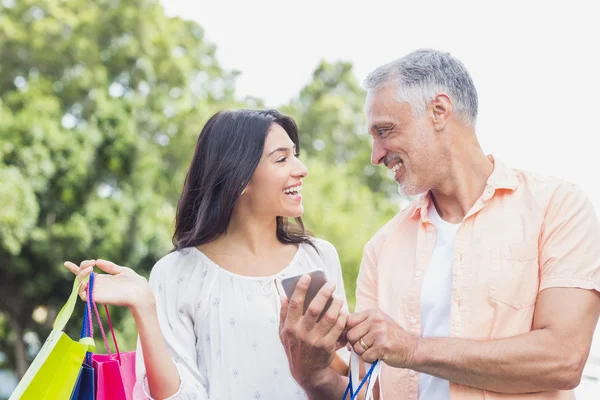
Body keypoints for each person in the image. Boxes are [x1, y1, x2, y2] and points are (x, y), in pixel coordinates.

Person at [279, 49, 600, 399]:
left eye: (384, 131)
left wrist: (411, 349)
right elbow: (370, 391)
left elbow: (564, 360)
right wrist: (311, 373)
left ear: (439, 111)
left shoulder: (558, 207)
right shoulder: (382, 247)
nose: (376, 155)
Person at [64, 109, 351, 399]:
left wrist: (320, 353)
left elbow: (345, 376)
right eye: (282, 159)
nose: (302, 169)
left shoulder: (318, 257)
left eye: (295, 154)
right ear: (240, 178)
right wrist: (144, 307)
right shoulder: (176, 272)